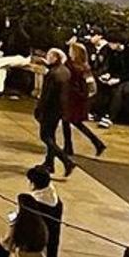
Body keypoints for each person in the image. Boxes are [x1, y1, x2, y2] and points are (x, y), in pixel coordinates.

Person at [63, 41, 107, 158]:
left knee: (70, 121)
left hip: (75, 99)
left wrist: (86, 95)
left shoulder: (75, 67)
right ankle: (70, 146)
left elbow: (89, 84)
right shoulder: (81, 66)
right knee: (69, 121)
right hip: (75, 98)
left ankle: (71, 146)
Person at [34, 48, 74, 177]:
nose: (47, 57)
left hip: (50, 109)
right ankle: (49, 163)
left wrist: (39, 109)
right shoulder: (65, 71)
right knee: (51, 136)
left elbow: (46, 95)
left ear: (56, 57)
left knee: (45, 136)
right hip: (59, 109)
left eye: (50, 55)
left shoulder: (53, 73)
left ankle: (66, 161)